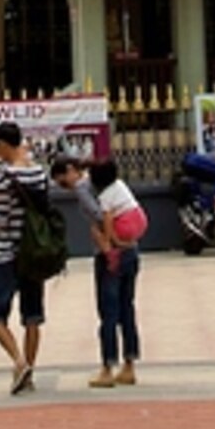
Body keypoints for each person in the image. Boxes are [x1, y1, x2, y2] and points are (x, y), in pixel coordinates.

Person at [0, 122, 55, 393]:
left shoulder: (6, 177)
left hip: (8, 253)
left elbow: (2, 221)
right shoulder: (39, 173)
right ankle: (29, 372)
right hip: (34, 252)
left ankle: (19, 362)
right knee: (32, 316)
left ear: (4, 144)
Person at [84, 158, 144, 389]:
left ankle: (107, 367)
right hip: (132, 252)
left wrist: (109, 243)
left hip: (115, 256)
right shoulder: (122, 187)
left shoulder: (105, 196)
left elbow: (106, 219)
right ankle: (129, 365)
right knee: (127, 307)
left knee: (108, 312)